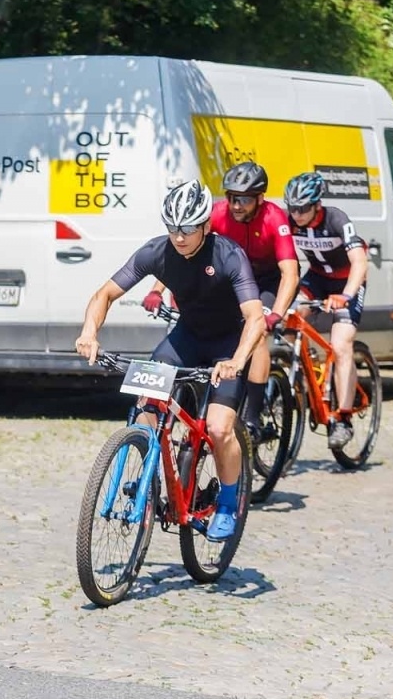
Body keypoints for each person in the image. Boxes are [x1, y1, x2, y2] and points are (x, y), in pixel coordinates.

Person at [77, 180, 265, 541]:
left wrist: (238, 361)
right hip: (186, 338)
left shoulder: (228, 256)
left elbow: (255, 318)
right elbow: (105, 294)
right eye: (173, 228)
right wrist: (89, 333)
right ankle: (147, 475)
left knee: (219, 428)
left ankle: (228, 502)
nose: (179, 237)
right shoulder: (156, 252)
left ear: (206, 226)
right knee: (146, 410)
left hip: (227, 344)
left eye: (188, 228)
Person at [144, 161, 297, 438]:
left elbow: (290, 272)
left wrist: (276, 312)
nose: (236, 205)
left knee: (258, 332)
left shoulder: (275, 218)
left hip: (266, 282)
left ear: (260, 199)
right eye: (231, 197)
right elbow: (182, 253)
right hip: (232, 280)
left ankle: (253, 419)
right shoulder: (216, 214)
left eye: (244, 199)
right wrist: (157, 288)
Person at [284, 171, 370, 447]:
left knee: (341, 344)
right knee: (287, 321)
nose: (296, 214)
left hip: (347, 281)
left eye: (303, 208)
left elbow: (359, 262)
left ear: (317, 205)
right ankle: (309, 361)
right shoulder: (291, 223)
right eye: (292, 208)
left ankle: (343, 418)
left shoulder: (337, 219)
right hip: (318, 278)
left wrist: (345, 295)